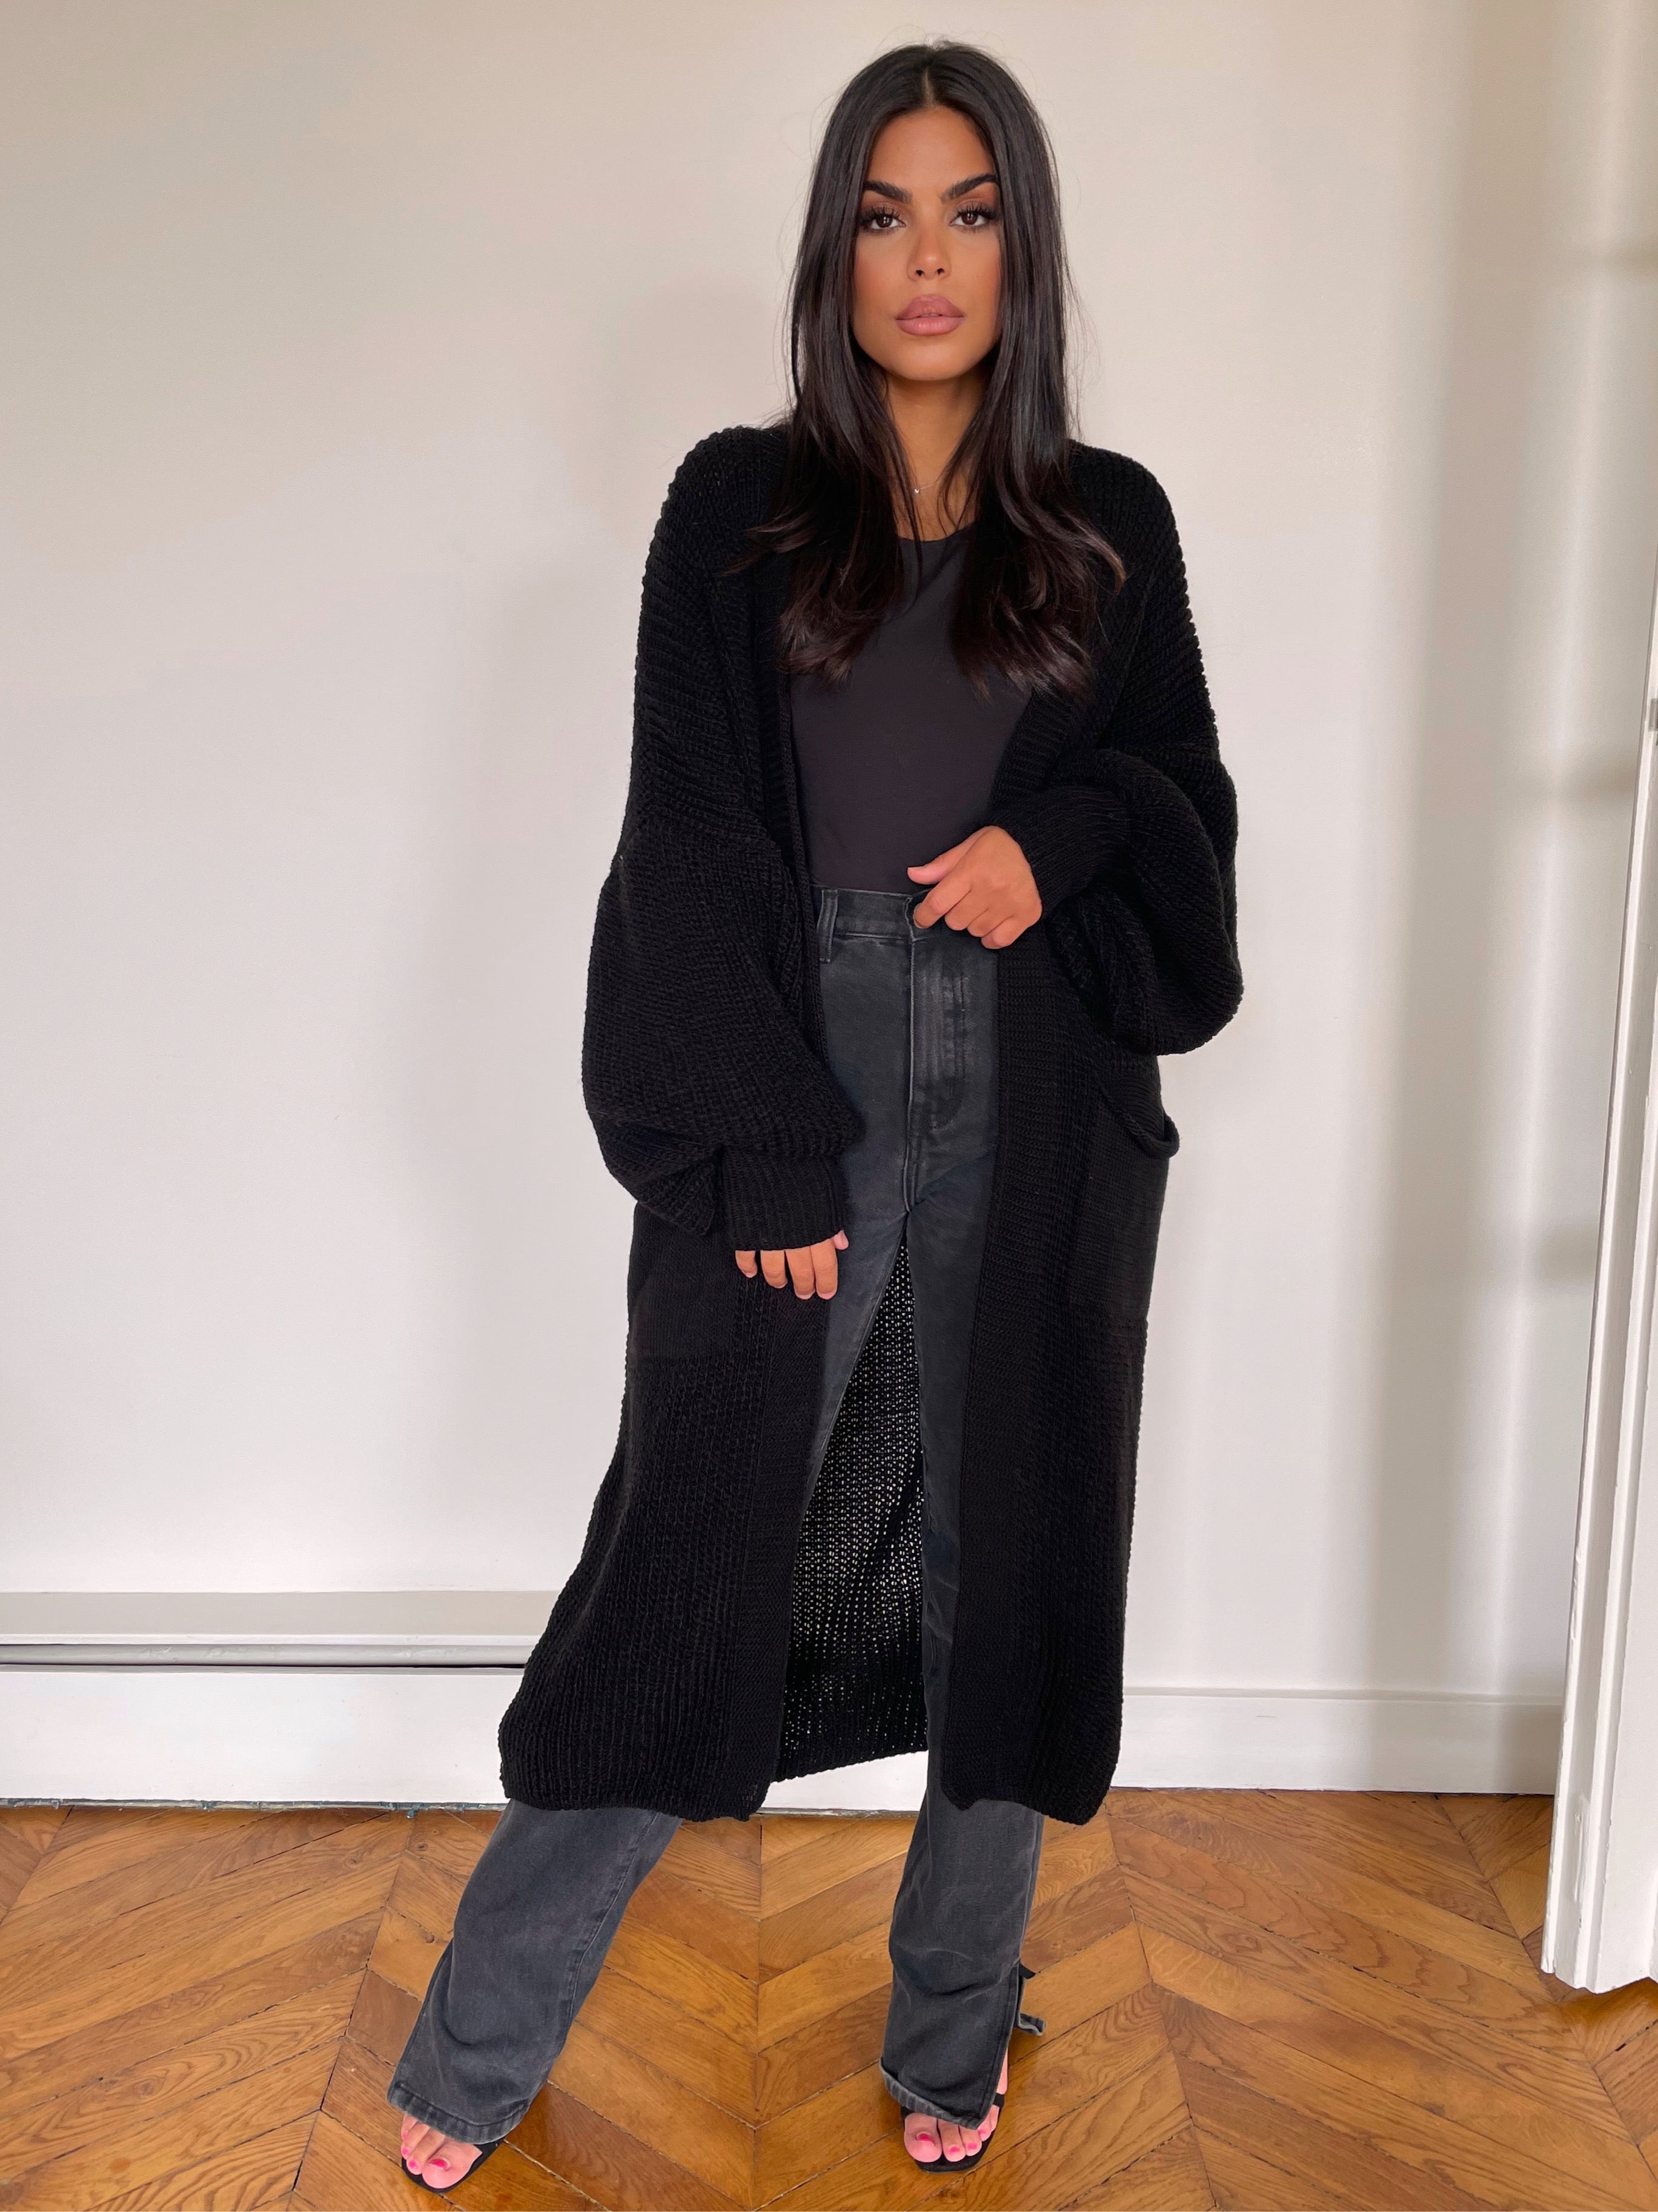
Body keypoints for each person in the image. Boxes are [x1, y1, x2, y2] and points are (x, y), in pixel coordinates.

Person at [390, 37, 1242, 2190]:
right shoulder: (736, 506)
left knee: (1007, 1564)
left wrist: (1058, 838)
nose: (926, 258)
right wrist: (764, 1142)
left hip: (1043, 1097)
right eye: (882, 214)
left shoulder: (1111, 523)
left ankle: (952, 2025)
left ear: (1020, 249)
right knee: (685, 1554)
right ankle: (479, 2045)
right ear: (833, 251)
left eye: (969, 211)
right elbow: (684, 840)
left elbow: (1183, 822)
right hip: (801, 1070)